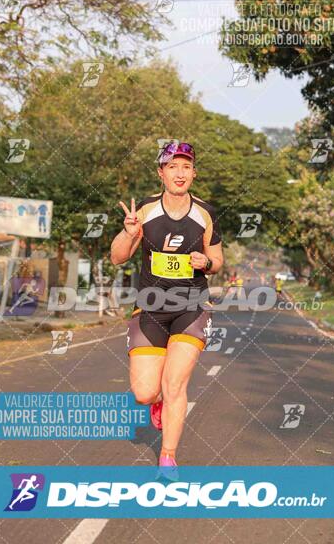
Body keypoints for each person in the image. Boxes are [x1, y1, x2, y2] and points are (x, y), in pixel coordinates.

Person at [110, 141, 223, 477]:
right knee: (145, 393)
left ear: (193, 173)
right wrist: (130, 234)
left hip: (192, 306)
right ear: (161, 172)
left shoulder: (206, 214)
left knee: (175, 383)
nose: (180, 173)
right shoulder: (143, 211)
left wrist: (208, 263)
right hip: (150, 307)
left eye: (186, 167)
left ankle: (168, 458)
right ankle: (156, 404)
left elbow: (217, 259)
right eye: (173, 166)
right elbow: (117, 257)